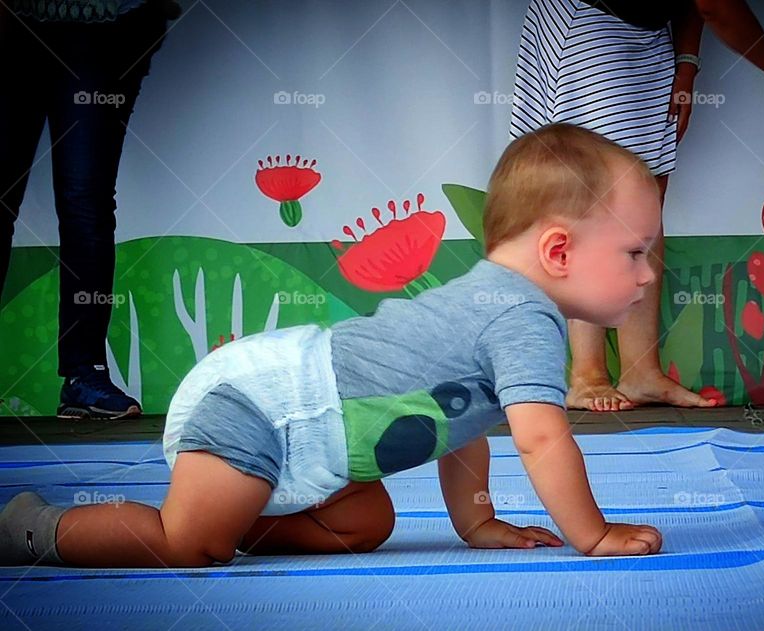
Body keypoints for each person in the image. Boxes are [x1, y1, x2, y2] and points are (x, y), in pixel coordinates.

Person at [0, 123, 665, 568]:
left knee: (366, 522)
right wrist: (594, 534)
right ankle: (34, 528)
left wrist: (476, 523)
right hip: (256, 407)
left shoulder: (503, 305)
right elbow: (542, 440)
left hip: (307, 445)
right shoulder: (521, 316)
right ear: (558, 249)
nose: (648, 272)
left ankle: (239, 516)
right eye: (635, 251)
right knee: (186, 544)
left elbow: (465, 420)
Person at [511, 0, 764, 411]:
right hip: (588, 21)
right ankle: (587, 374)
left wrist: (686, 62)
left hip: (651, 35)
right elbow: (714, 4)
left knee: (642, 203)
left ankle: (640, 372)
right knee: (590, 202)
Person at [0, 0, 177, 419]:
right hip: (12, 22)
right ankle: (84, 375)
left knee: (85, 202)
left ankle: (84, 374)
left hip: (107, 25)